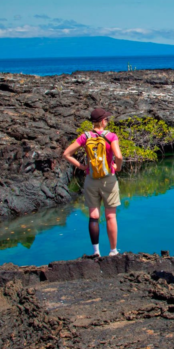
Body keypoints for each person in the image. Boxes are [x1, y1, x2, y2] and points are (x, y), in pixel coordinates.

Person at [63, 108, 123, 257]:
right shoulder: (111, 136)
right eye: (106, 119)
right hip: (108, 178)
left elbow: (66, 154)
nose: (107, 122)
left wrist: (82, 167)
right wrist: (117, 166)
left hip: (91, 179)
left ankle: (96, 252)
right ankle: (113, 251)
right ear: (103, 121)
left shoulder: (85, 137)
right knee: (110, 216)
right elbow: (119, 156)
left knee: (93, 216)